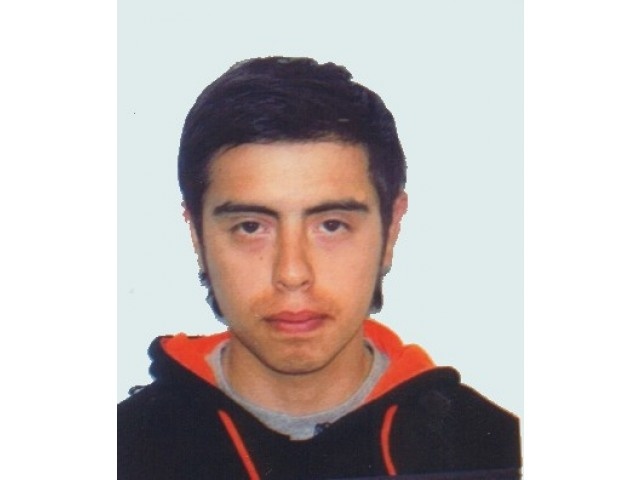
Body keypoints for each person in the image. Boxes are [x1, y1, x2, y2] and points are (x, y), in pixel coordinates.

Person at [118, 56, 521, 480]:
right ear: (198, 237)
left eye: (331, 225)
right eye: (251, 227)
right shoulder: (119, 454)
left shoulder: (497, 452)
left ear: (391, 230)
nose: (292, 273)